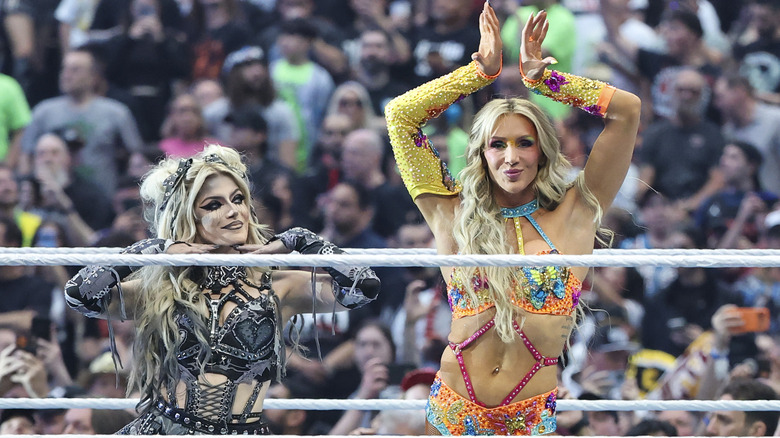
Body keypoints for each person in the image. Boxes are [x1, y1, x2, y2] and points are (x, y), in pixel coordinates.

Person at [384, 3, 641, 435]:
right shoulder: (453, 213)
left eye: (525, 142)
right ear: (481, 153)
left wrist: (544, 80)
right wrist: (479, 73)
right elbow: (400, 116)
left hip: (529, 415)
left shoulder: (576, 212)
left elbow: (627, 110)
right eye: (497, 144)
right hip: (453, 410)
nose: (511, 156)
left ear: (543, 151)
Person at [63, 144, 380, 434]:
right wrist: (156, 247)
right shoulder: (158, 290)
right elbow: (79, 294)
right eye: (214, 204)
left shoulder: (280, 284)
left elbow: (363, 287)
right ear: (188, 217)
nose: (233, 211)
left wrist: (301, 239)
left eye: (238, 199)